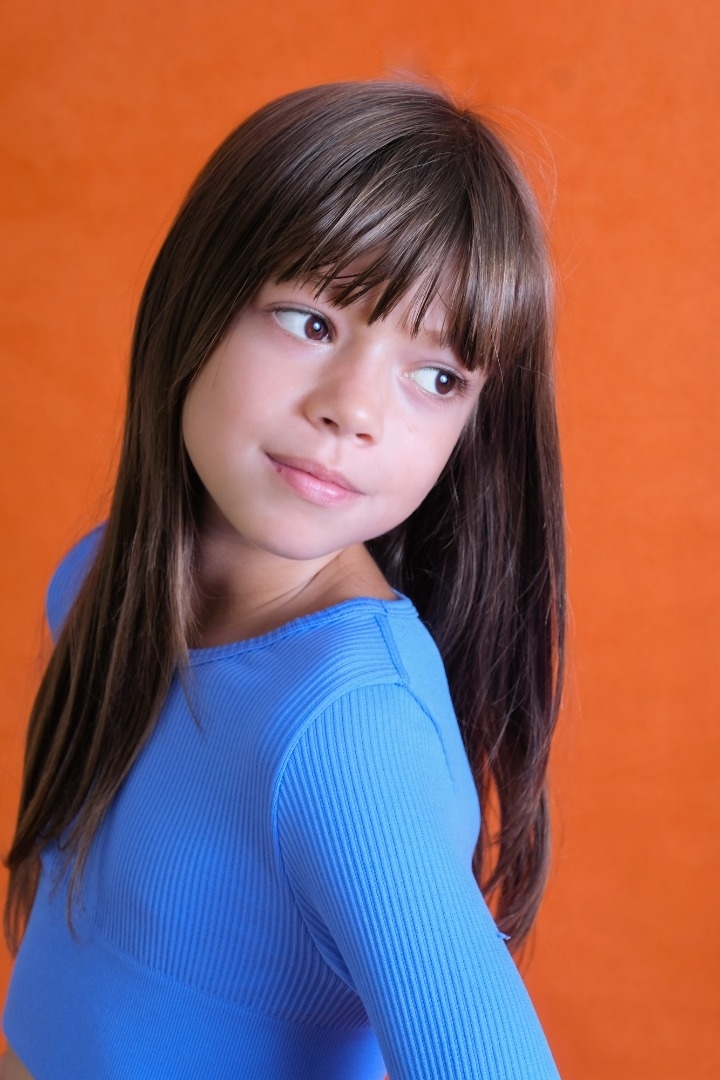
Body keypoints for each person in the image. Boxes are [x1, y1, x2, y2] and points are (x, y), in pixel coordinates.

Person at [1, 80, 565, 1079]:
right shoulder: (94, 582)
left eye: (436, 377)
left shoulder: (347, 731)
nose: (354, 409)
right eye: (310, 321)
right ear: (195, 300)